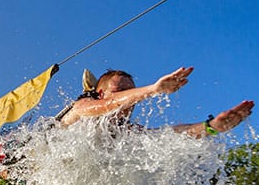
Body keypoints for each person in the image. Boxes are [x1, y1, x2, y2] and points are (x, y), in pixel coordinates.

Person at [59, 67, 254, 138]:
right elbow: (106, 105)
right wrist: (153, 89)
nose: (129, 101)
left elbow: (170, 136)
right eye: (122, 92)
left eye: (131, 95)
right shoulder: (79, 110)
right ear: (100, 93)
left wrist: (211, 127)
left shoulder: (126, 132)